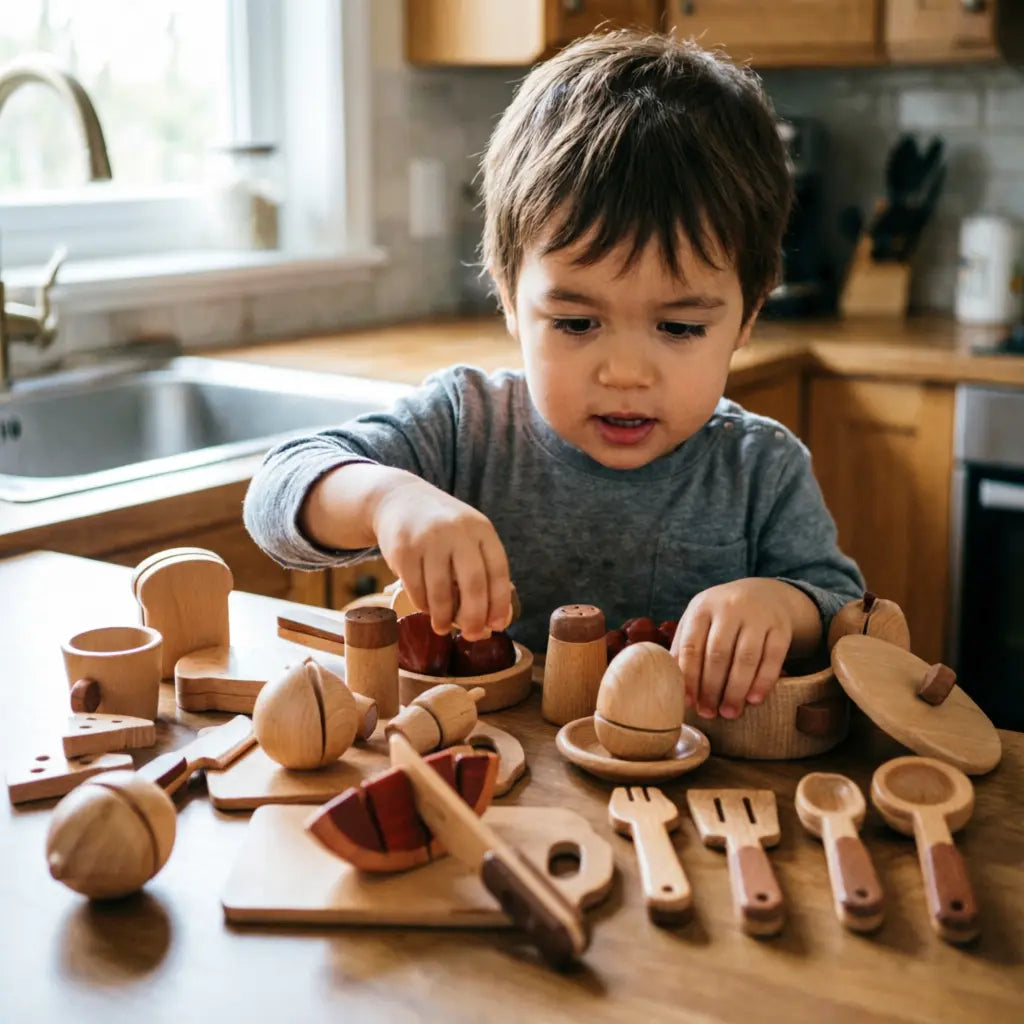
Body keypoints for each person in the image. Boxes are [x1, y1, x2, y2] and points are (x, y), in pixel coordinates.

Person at [243, 29, 864, 722]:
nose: (625, 373)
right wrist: (385, 498)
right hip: (496, 790)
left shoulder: (762, 470)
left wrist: (785, 604)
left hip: (680, 801)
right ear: (509, 297)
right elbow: (276, 493)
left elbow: (843, 607)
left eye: (681, 328)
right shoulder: (464, 425)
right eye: (575, 323)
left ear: (748, 315)